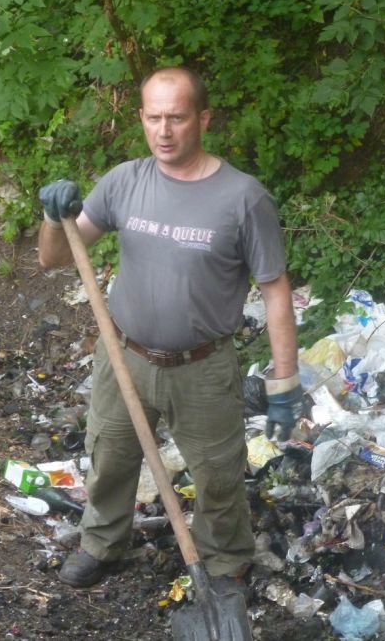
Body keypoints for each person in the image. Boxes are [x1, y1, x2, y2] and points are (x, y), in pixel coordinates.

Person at [37, 66, 303, 591]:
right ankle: (102, 543)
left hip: (202, 367)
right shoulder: (124, 181)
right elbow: (55, 257)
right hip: (124, 356)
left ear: (202, 118)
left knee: (217, 475)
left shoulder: (244, 198)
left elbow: (275, 291)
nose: (164, 131)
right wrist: (51, 216)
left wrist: (285, 380)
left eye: (177, 118)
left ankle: (224, 565)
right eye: (154, 118)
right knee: (109, 457)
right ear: (141, 118)